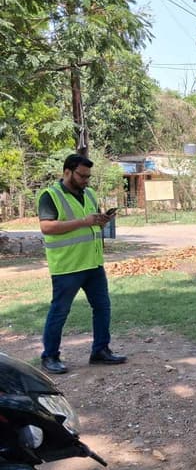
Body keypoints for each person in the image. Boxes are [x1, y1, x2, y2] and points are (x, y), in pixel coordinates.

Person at [36, 154, 127, 374]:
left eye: (88, 177)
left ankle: (100, 350)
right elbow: (46, 227)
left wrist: (101, 221)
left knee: (102, 307)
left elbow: (91, 224)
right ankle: (50, 356)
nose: (86, 180)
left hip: (93, 264)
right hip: (67, 266)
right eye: (82, 176)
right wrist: (83, 222)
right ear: (67, 172)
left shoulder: (90, 194)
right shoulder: (50, 195)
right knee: (60, 311)